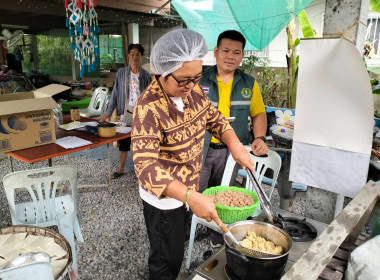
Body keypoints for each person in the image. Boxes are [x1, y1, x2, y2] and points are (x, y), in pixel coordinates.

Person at [131, 29, 256, 280]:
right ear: (161, 73)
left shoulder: (193, 90)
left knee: (175, 247)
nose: (191, 86)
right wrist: (189, 195)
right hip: (164, 198)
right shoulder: (148, 107)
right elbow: (145, 167)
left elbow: (214, 118)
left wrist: (234, 144)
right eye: (183, 80)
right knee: (167, 258)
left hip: (187, 188)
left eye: (196, 78)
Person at [198, 30, 269, 247]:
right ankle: (190, 225)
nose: (231, 56)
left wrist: (259, 137)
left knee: (224, 193)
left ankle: (217, 235)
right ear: (216, 52)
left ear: (242, 55)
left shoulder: (249, 83)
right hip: (201, 148)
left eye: (236, 52)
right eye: (226, 51)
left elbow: (258, 114)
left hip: (231, 152)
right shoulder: (199, 79)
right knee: (196, 188)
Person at [100, 43, 152, 179]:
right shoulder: (122, 73)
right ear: (128, 56)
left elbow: (150, 96)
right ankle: (121, 169)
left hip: (141, 114)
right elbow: (115, 94)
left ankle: (141, 171)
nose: (135, 57)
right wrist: (107, 112)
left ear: (142, 57)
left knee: (141, 143)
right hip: (125, 113)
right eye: (132, 54)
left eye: (138, 54)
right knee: (124, 141)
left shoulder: (146, 76)